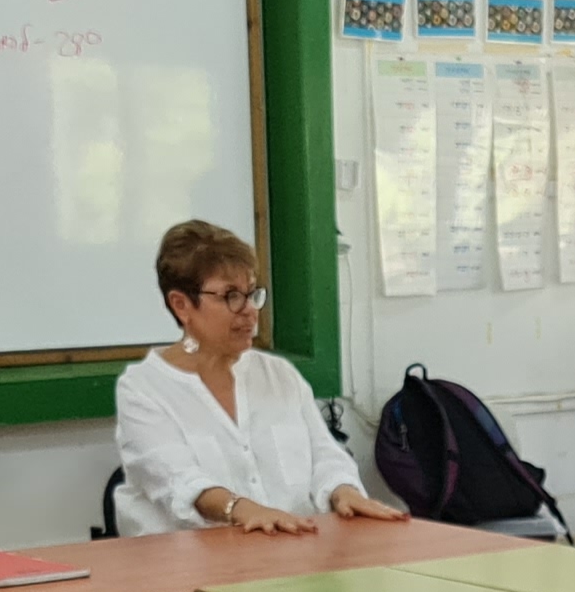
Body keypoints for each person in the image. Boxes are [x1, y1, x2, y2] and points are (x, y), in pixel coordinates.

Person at [111, 218, 408, 537]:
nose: (250, 311)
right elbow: (178, 481)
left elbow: (325, 455)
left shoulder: (278, 375)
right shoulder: (143, 388)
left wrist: (344, 491)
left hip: (294, 557)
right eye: (230, 296)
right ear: (182, 305)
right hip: (192, 568)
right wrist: (245, 510)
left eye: (252, 294)